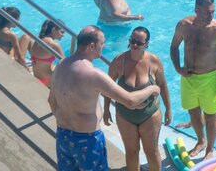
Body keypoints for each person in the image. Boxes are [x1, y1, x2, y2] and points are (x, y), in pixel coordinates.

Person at [49, 26, 160, 171]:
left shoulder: (61, 65)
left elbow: (51, 101)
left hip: (63, 136)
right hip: (87, 140)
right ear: (92, 46)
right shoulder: (94, 74)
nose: (104, 46)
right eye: (102, 43)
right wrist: (152, 88)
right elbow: (130, 101)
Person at [170, 0, 216, 160]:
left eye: (212, 12)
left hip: (209, 79)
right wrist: (178, 68)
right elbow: (174, 47)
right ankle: (201, 141)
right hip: (188, 78)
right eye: (206, 12)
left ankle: (210, 149)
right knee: (193, 112)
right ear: (196, 10)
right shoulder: (184, 25)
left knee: (211, 116)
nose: (210, 16)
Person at [103, 26, 172, 171]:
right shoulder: (119, 61)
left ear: (146, 44)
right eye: (132, 41)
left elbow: (163, 85)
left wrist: (168, 109)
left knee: (152, 152)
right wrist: (106, 109)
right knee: (132, 152)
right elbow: (108, 87)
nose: (134, 45)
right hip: (125, 115)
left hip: (150, 114)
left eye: (139, 43)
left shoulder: (154, 61)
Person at [21, 19, 65, 87]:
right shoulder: (54, 45)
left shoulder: (38, 41)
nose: (63, 35)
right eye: (62, 32)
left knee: (54, 66)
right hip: (48, 81)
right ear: (53, 30)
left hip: (37, 78)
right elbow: (66, 65)